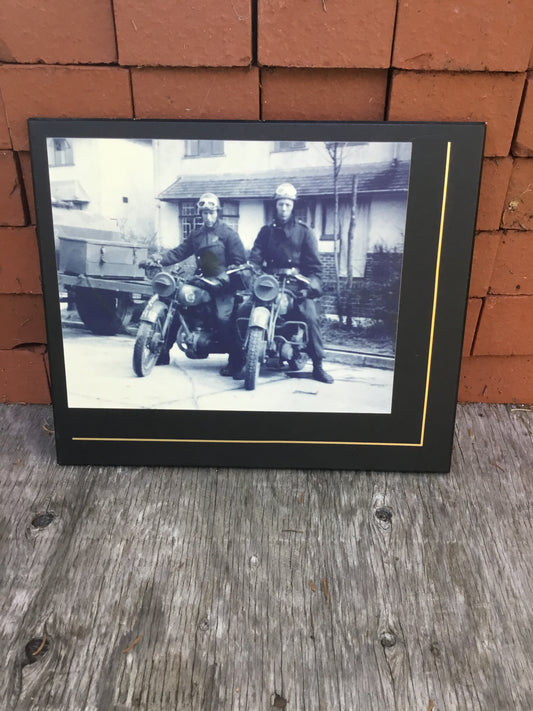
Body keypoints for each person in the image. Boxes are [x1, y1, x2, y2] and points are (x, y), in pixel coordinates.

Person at [151, 192, 246, 374]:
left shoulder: (229, 234)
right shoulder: (197, 235)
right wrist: (158, 259)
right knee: (178, 304)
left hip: (223, 284)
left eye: (211, 212)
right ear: (200, 214)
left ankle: (236, 360)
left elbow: (240, 262)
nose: (208, 217)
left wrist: (225, 276)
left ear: (217, 212)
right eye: (204, 213)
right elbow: (179, 252)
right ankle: (163, 351)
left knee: (223, 319)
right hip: (202, 280)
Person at [249, 183, 334, 384]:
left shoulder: (304, 232)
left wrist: (310, 287)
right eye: (280, 204)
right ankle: (242, 360)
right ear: (275, 206)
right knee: (245, 309)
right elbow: (255, 258)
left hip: (296, 285)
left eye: (287, 204)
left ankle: (318, 366)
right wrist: (254, 272)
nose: (284, 209)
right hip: (270, 283)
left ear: (293, 206)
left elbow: (315, 268)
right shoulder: (266, 232)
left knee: (310, 317)